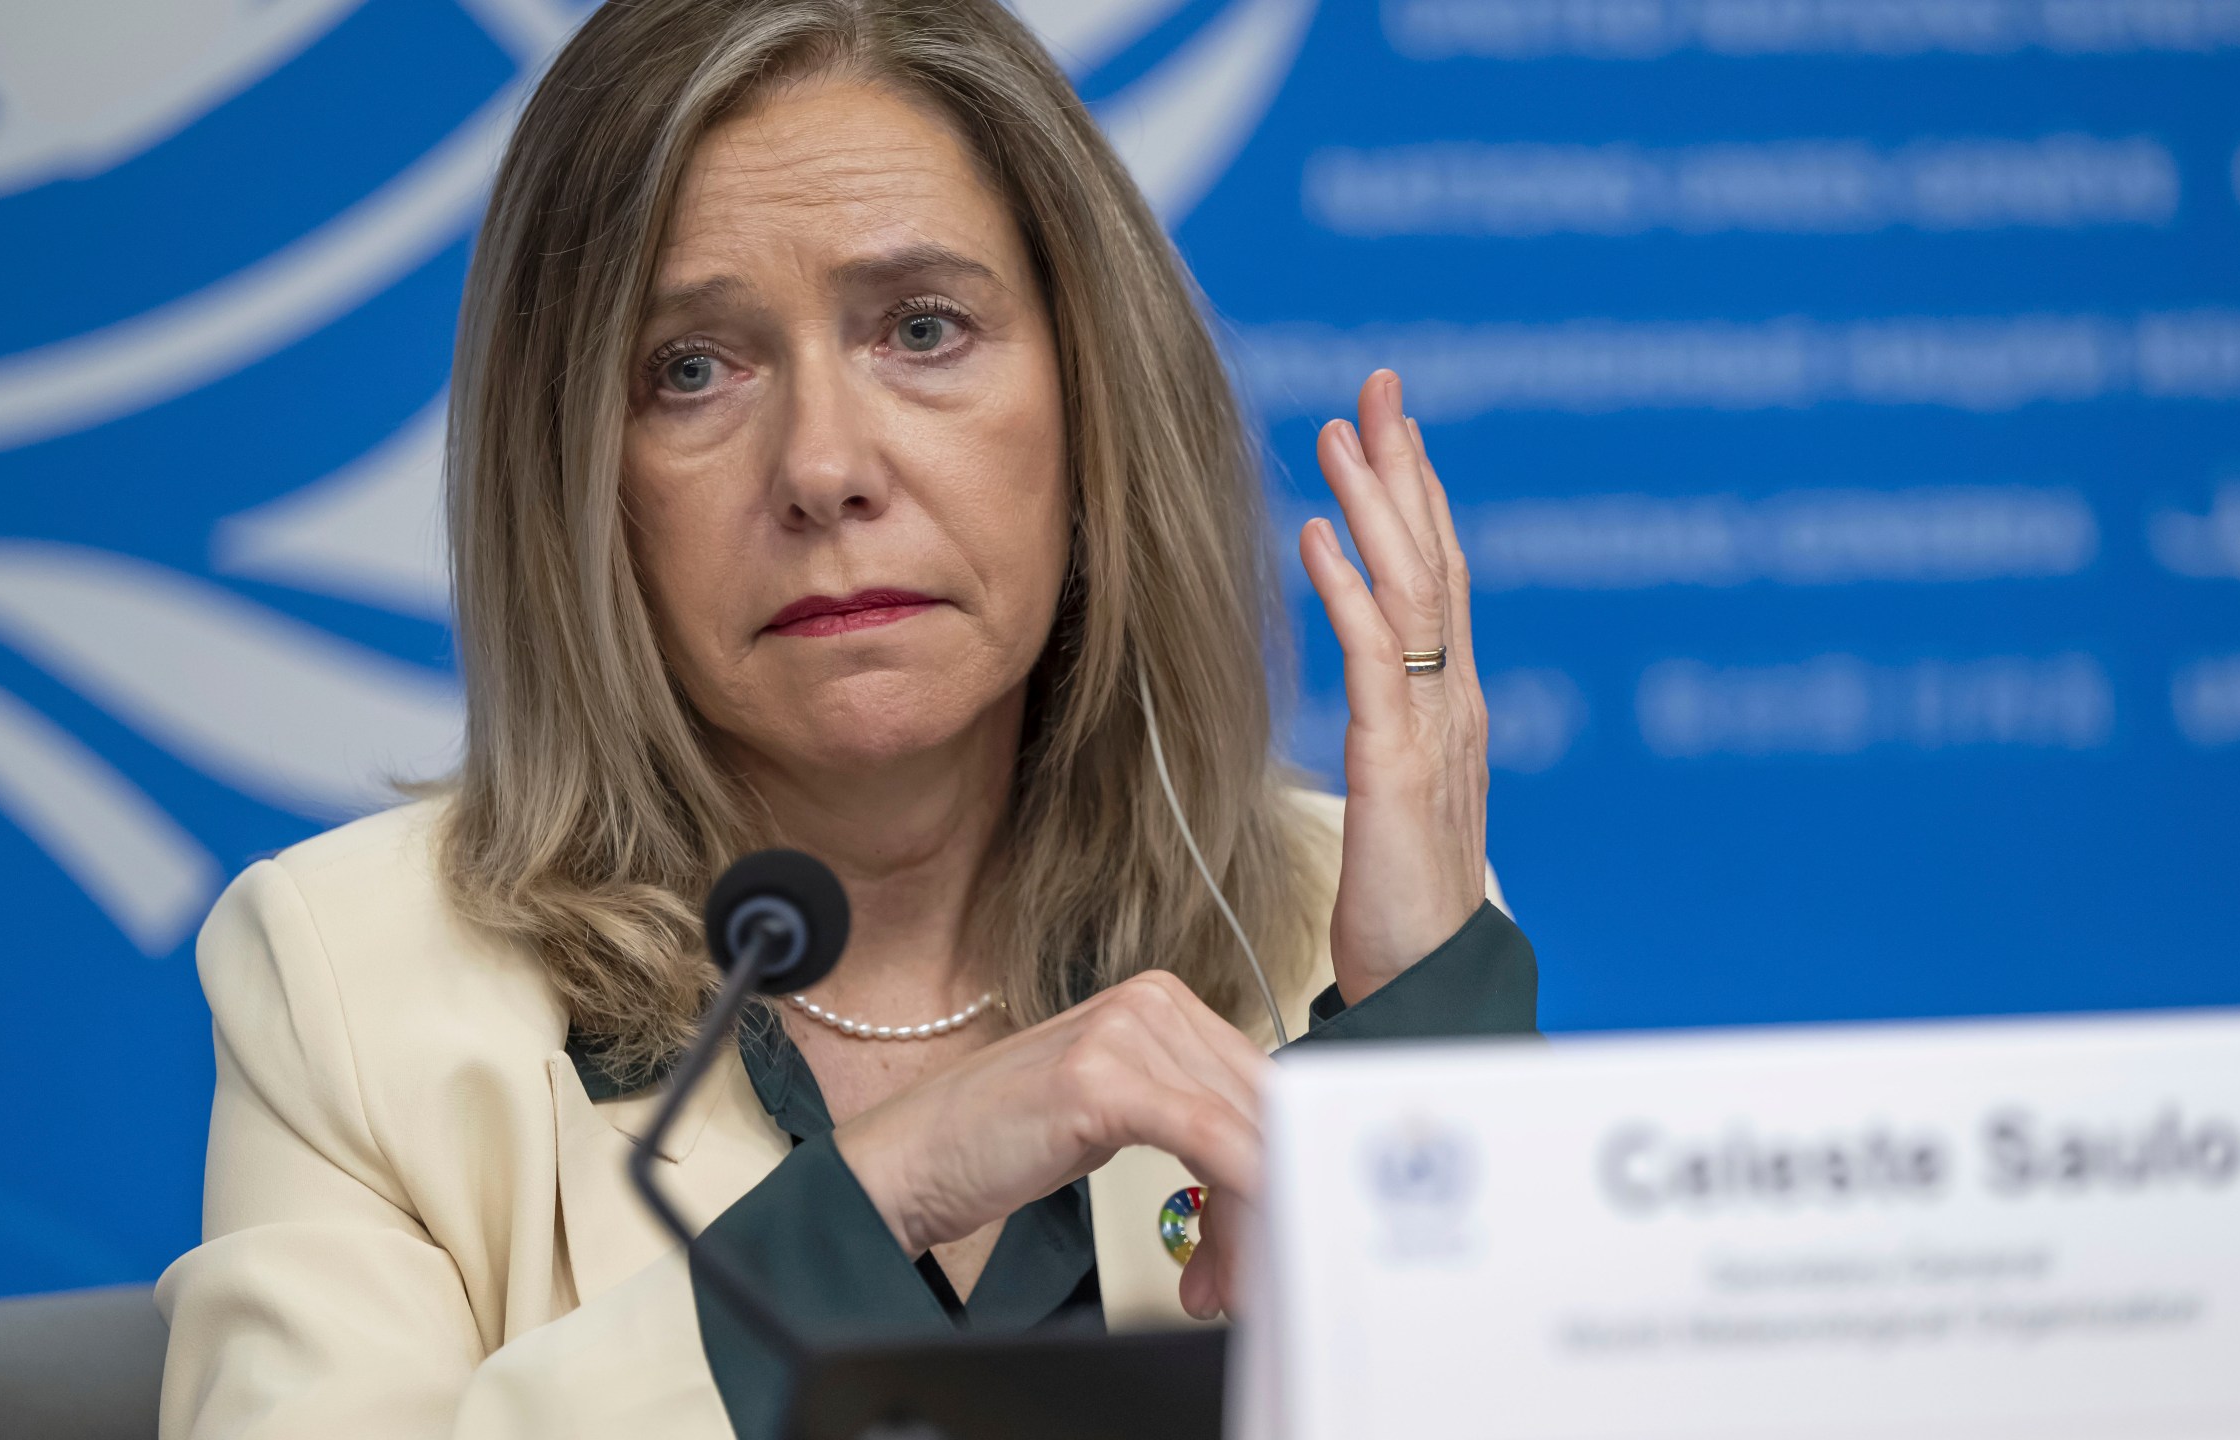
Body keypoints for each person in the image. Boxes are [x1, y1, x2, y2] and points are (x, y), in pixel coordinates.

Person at [154, 1, 1536, 1435]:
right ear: (579, 478)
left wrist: (1421, 1048)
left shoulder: (1346, 926)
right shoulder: (356, 986)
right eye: (691, 367)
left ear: (1092, 403)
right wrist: (892, 1186)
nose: (822, 468)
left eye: (922, 329)